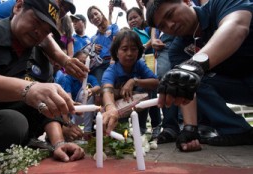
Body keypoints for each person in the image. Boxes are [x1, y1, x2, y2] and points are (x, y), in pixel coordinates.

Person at [0, 0, 85, 173]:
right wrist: (29, 89)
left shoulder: (40, 61)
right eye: (36, 21)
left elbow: (45, 111)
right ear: (18, 6)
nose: (39, 32)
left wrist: (59, 143)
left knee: (14, 123)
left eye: (46, 31)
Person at [146, 0, 253, 152]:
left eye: (170, 14)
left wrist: (195, 65)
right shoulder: (177, 49)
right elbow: (185, 88)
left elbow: (236, 26)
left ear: (186, 1)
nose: (169, 25)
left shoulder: (220, 4)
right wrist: (190, 129)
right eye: (162, 26)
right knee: (188, 79)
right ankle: (237, 130)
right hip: (239, 87)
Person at [0, 0, 88, 81]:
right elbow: (45, 39)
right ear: (18, 7)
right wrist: (64, 60)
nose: (62, 10)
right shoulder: (27, 5)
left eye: (67, 9)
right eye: (62, 4)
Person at [101, 29, 159, 135]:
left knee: (147, 88)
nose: (129, 53)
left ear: (139, 51)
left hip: (136, 102)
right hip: (119, 106)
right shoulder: (112, 70)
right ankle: (120, 129)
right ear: (116, 52)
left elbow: (156, 82)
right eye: (124, 49)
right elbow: (107, 89)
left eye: (134, 49)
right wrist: (110, 108)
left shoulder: (139, 64)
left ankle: (142, 128)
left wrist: (134, 81)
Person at [126, 6, 162, 138]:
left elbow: (153, 33)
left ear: (142, 17)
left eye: (135, 17)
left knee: (152, 97)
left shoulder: (148, 30)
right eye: (130, 19)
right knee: (140, 97)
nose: (133, 20)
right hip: (136, 71)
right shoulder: (130, 35)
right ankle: (140, 127)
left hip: (150, 66)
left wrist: (146, 45)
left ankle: (156, 125)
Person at [64, 50, 101, 140]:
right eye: (80, 62)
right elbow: (67, 97)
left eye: (85, 63)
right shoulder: (68, 78)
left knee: (86, 92)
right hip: (71, 111)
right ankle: (70, 127)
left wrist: (90, 91)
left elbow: (98, 87)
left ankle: (87, 130)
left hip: (85, 111)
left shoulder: (90, 78)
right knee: (82, 93)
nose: (82, 65)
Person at [87, 5, 120, 84]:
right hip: (100, 67)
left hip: (114, 62)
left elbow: (116, 43)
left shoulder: (113, 27)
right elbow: (90, 56)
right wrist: (93, 49)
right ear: (91, 22)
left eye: (96, 14)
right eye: (91, 17)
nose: (94, 17)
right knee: (102, 88)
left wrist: (113, 59)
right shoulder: (93, 38)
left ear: (101, 14)